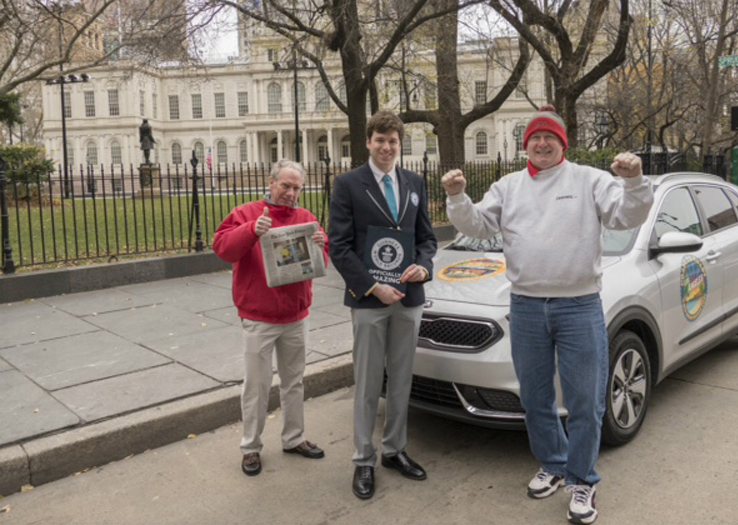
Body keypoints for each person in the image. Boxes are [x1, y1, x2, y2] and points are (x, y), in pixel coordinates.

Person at [441, 105, 653, 525]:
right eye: (535, 138)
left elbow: (626, 214)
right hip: (526, 306)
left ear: (562, 145)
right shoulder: (509, 186)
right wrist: (456, 196)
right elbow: (480, 226)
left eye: (550, 138)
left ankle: (582, 479)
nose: (542, 143)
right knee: (535, 398)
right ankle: (554, 465)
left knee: (584, 400)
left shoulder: (589, 180)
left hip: (579, 305)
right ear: (526, 145)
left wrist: (633, 181)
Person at [328, 110, 437, 501]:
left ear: (399, 144)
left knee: (403, 378)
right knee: (368, 383)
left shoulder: (414, 183)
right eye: (380, 140)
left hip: (409, 298)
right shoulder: (348, 184)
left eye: (393, 141)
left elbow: (427, 238)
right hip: (370, 300)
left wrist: (423, 269)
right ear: (368, 142)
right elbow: (338, 246)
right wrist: (374, 287)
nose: (387, 147)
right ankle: (363, 459)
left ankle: (394, 451)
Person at [213, 159, 329, 477]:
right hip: (259, 317)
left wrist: (322, 245)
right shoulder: (247, 213)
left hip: (295, 315)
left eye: (296, 188)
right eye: (285, 186)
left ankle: (294, 438)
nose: (290, 193)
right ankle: (251, 447)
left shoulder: (306, 218)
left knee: (294, 382)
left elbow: (321, 262)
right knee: (257, 386)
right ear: (271, 182)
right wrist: (251, 230)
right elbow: (222, 248)